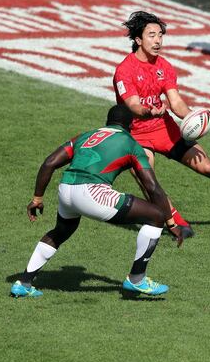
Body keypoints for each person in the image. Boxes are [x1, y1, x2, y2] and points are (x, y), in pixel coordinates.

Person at [113, 11, 210, 234]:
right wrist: (150, 111)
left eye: (160, 35)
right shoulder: (124, 71)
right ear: (138, 40)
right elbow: (133, 106)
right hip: (135, 135)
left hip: (164, 129)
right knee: (148, 181)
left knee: (206, 165)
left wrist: (193, 117)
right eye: (151, 35)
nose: (158, 41)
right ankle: (176, 222)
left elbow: (176, 103)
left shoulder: (164, 66)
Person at [11, 105, 177, 298]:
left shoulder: (85, 136)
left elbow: (49, 163)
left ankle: (24, 283)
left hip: (66, 189)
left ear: (108, 121)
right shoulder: (130, 142)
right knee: (155, 216)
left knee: (61, 231)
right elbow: (152, 187)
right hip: (92, 192)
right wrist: (170, 222)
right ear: (131, 124)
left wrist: (37, 198)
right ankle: (137, 279)